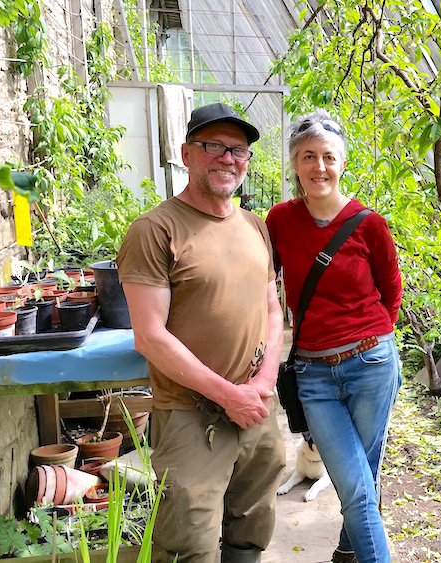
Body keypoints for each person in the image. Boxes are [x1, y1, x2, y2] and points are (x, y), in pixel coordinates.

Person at [116, 102, 285, 563]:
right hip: (191, 413)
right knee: (188, 540)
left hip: (256, 405)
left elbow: (272, 310)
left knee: (252, 521)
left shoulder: (254, 226)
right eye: (214, 146)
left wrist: (264, 381)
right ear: (186, 153)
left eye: (238, 150)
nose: (228, 158)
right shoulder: (154, 230)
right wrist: (229, 396)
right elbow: (150, 336)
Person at [265, 109, 403, 563]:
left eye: (328, 156)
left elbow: (391, 292)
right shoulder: (280, 220)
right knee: (357, 484)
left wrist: (369, 340)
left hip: (371, 365)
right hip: (314, 375)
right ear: (295, 163)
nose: (319, 166)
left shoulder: (368, 223)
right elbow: (263, 281)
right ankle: (354, 551)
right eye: (308, 156)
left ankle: (348, 552)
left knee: (362, 478)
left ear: (342, 163)